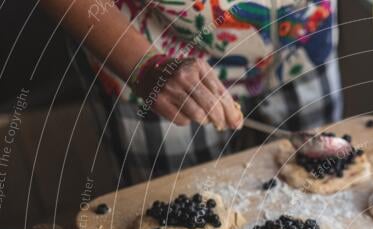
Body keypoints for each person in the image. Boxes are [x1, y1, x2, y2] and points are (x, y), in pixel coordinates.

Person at [41, 0, 342, 184]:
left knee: (322, 189)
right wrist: (144, 65)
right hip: (155, 54)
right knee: (179, 217)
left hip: (303, 38)